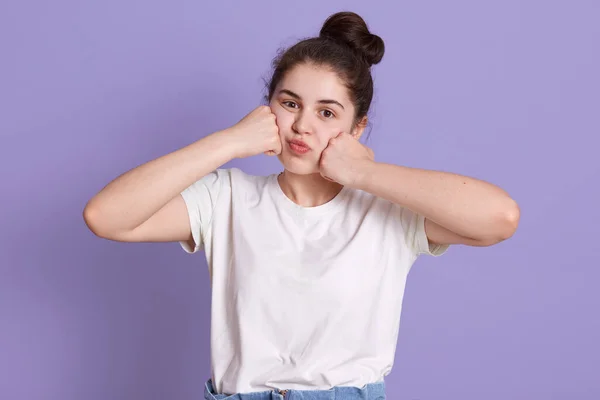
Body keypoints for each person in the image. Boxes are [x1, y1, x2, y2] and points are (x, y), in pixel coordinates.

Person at [83, 11, 520, 400]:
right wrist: (229, 141)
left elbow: (499, 218)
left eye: (327, 113)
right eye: (289, 103)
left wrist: (365, 174)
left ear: (358, 126)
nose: (301, 125)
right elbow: (105, 216)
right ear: (268, 107)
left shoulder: (387, 211)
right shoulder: (227, 199)